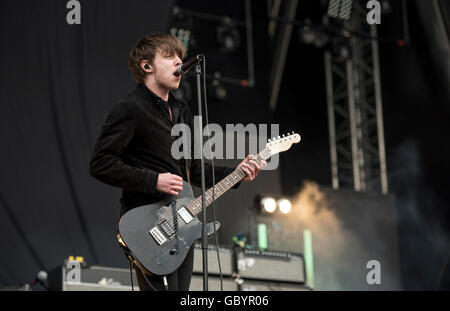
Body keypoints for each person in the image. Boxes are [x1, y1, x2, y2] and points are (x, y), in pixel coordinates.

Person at [89, 33, 265, 291]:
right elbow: (100, 163)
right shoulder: (129, 109)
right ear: (146, 66)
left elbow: (195, 171)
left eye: (180, 57)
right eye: (169, 56)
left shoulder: (182, 110)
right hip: (147, 225)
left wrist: (236, 172)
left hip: (182, 224)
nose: (178, 62)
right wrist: (153, 180)